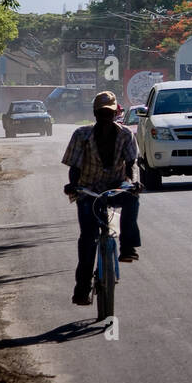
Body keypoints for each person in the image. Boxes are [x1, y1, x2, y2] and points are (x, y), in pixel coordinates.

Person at [61, 91, 142, 306]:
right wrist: (73, 185)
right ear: (95, 114)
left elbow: (132, 164)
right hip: (89, 192)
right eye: (101, 113)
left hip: (114, 189)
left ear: (116, 113)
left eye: (109, 112)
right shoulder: (81, 135)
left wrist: (133, 183)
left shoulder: (126, 135)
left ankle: (128, 247)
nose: (106, 117)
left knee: (132, 199)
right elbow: (74, 166)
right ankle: (82, 288)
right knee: (88, 239)